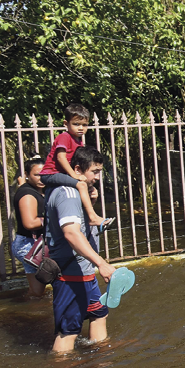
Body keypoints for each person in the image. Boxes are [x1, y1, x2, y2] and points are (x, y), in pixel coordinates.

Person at [47, 145, 117, 353]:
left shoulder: (78, 192)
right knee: (69, 331)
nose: (97, 177)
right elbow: (71, 234)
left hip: (84, 273)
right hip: (71, 276)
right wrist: (102, 264)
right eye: (94, 172)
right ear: (77, 170)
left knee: (99, 314)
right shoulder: (67, 194)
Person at [39, 103, 107, 226]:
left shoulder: (78, 141)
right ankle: (92, 217)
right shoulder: (64, 137)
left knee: (85, 185)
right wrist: (74, 176)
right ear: (66, 124)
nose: (81, 128)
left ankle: (86, 213)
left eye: (84, 125)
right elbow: (61, 157)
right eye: (76, 124)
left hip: (60, 173)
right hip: (50, 173)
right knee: (81, 185)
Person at [11, 158, 47, 299]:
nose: (41, 177)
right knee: (55, 278)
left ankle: (23, 305)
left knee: (37, 292)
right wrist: (53, 219)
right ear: (27, 174)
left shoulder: (36, 191)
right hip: (29, 246)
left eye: (45, 173)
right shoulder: (28, 194)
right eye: (37, 174)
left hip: (32, 244)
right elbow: (30, 223)